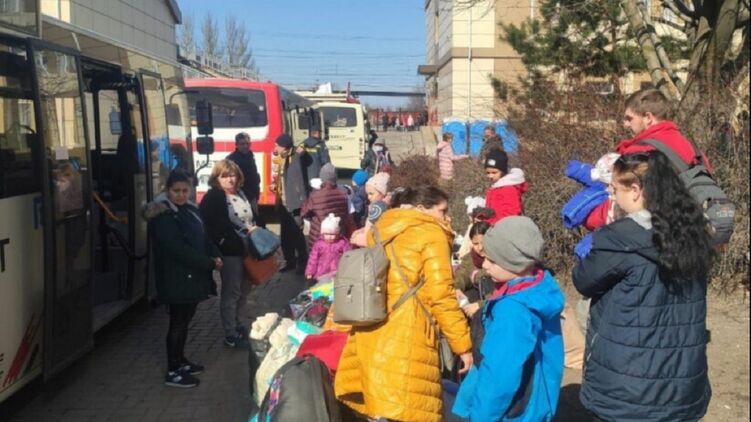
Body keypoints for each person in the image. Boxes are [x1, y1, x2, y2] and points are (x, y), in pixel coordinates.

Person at [572, 151, 714, 422]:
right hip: (683, 386)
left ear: (635, 190)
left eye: (615, 189)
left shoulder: (620, 240)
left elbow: (583, 279)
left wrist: (604, 237)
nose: (612, 196)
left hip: (628, 391)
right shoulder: (694, 234)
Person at [335, 186, 473, 422]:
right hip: (408, 335)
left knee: (380, 408)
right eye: (442, 211)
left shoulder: (382, 229)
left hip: (372, 330)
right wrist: (463, 346)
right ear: (421, 209)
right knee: (408, 409)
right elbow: (441, 295)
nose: (447, 217)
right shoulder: (431, 234)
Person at [452, 216, 564, 421]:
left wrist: (481, 417)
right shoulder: (539, 287)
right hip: (535, 402)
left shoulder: (513, 311)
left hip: (508, 411)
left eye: (493, 260)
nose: (485, 264)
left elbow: (500, 375)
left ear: (514, 262)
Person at [584, 88, 713, 230]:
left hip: (654, 234)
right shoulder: (690, 147)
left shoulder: (639, 152)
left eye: (629, 118)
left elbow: (621, 204)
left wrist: (587, 218)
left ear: (648, 117)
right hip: (691, 229)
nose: (626, 124)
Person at [145, 170, 223, 387]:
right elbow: (177, 248)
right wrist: (208, 262)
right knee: (178, 322)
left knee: (186, 319)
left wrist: (215, 254)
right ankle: (173, 370)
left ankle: (180, 360)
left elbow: (204, 237)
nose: (180, 195)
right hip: (176, 278)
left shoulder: (190, 210)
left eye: (184, 191)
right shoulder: (162, 216)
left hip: (192, 276)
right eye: (176, 191)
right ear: (167, 191)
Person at [199, 160, 256, 348]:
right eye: (224, 176)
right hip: (230, 251)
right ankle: (230, 334)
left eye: (232, 175)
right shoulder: (214, 197)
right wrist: (221, 243)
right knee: (232, 292)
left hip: (248, 250)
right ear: (216, 178)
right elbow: (208, 225)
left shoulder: (241, 193)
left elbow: (252, 218)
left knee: (244, 290)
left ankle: (239, 324)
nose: (230, 179)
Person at [272, 134, 309, 273]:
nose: (275, 148)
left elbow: (306, 161)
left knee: (297, 235)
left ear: (285, 147)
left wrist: (303, 202)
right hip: (283, 202)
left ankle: (302, 263)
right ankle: (290, 261)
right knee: (285, 235)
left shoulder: (297, 156)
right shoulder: (281, 158)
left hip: (295, 203)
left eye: (277, 145)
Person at [301, 163, 355, 249]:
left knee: (317, 256)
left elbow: (304, 212)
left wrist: (313, 216)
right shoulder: (343, 194)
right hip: (337, 235)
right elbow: (347, 214)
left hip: (319, 235)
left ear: (322, 178)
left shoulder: (315, 195)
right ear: (335, 178)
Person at [453, 221, 495, 319]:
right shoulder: (470, 258)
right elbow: (462, 274)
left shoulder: (500, 258)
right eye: (476, 244)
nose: (480, 248)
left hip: (494, 302)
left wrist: (480, 305)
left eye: (483, 243)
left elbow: (504, 292)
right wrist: (457, 288)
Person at [227, 132, 263, 225]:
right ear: (236, 144)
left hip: (252, 193)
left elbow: (253, 175)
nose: (245, 146)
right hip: (240, 195)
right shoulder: (232, 159)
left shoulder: (250, 156)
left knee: (255, 219)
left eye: (247, 143)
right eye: (242, 144)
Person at [483, 149, 528, 224]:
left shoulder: (509, 189)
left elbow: (511, 214)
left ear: (503, 171)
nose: (490, 176)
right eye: (488, 173)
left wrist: (489, 223)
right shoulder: (494, 188)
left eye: (494, 172)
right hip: (494, 227)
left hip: (504, 227)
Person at [305, 213, 352, 282]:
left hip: (337, 272)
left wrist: (348, 270)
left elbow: (349, 256)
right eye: (326, 234)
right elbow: (313, 258)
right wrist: (310, 272)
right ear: (322, 233)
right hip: (321, 273)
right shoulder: (319, 244)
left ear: (337, 233)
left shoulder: (342, 243)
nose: (329, 237)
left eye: (332, 234)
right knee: (322, 287)